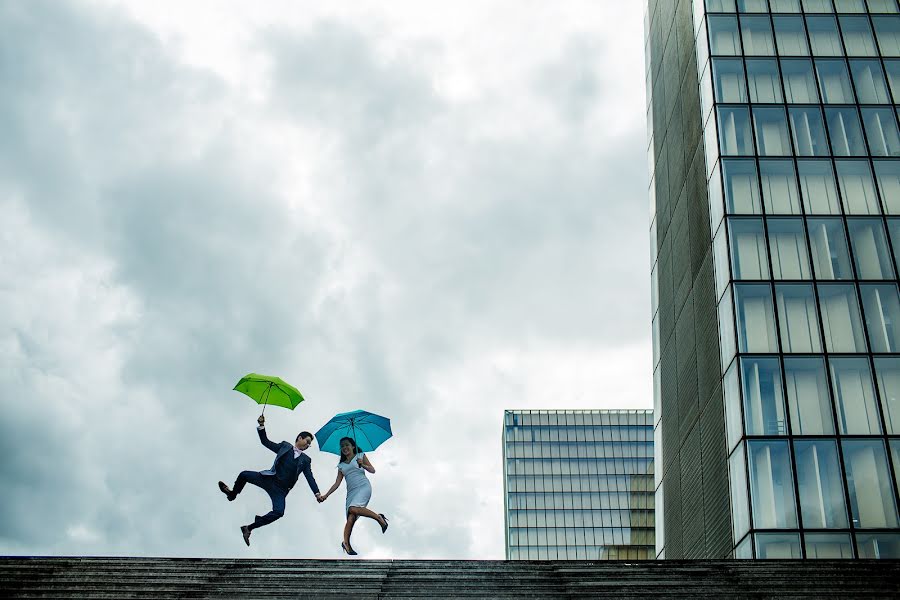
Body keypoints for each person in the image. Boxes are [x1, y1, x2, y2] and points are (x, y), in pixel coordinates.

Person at [218, 415, 324, 546]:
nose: (308, 445)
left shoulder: (306, 460)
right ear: (299, 438)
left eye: (309, 444)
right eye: (307, 441)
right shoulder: (285, 446)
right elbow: (265, 442)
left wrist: (317, 493)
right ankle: (232, 494)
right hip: (268, 479)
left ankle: (248, 528)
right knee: (244, 474)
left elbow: (310, 477)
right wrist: (262, 426)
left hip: (280, 490)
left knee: (279, 512)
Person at [319, 436, 388, 555]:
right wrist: (326, 495)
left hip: (363, 487)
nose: (344, 447)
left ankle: (379, 518)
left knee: (352, 509)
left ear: (352, 446)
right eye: (342, 446)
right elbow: (337, 483)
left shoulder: (360, 456)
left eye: (347, 445)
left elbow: (373, 470)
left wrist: (363, 465)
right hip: (351, 492)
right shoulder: (341, 466)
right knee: (351, 517)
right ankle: (346, 544)